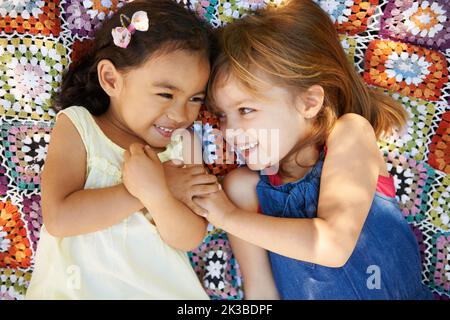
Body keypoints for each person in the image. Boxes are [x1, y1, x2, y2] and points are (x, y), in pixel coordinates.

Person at [192, 0, 433, 300]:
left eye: (246, 109)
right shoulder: (243, 189)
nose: (228, 130)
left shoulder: (350, 134)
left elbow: (332, 245)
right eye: (223, 116)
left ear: (309, 103)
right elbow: (262, 293)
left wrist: (227, 217)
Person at [26, 0, 219, 299]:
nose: (182, 115)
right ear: (111, 79)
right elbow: (60, 219)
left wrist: (159, 197)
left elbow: (190, 237)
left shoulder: (183, 145)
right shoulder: (80, 127)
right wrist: (148, 187)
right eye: (165, 94)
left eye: (195, 98)